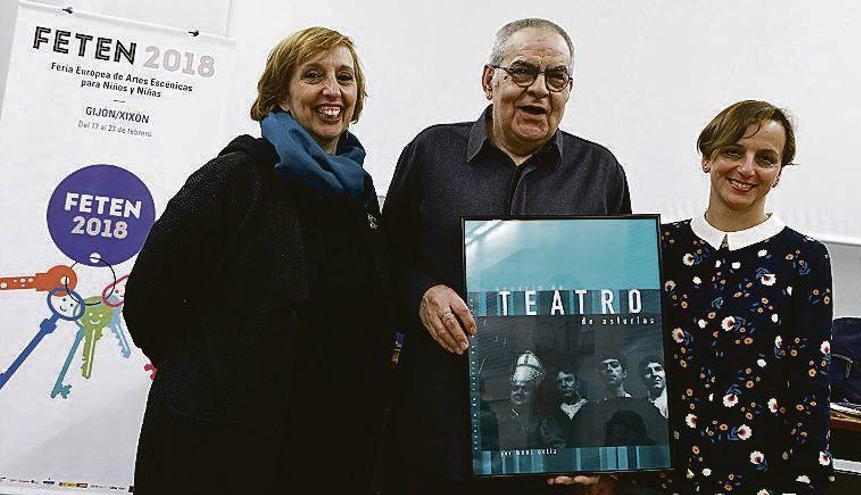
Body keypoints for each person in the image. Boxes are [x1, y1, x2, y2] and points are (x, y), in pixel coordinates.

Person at [123, 27, 392, 494]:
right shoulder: (234, 178)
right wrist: (209, 375)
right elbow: (149, 297)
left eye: (344, 77)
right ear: (281, 96)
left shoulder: (361, 195)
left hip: (328, 446)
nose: (333, 90)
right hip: (226, 444)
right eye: (313, 75)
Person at [383, 17, 630, 494]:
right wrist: (421, 292)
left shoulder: (599, 172)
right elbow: (383, 261)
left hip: (546, 447)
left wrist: (599, 446)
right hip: (435, 432)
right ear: (488, 79)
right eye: (522, 71)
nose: (539, 89)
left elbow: (614, 309)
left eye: (556, 77)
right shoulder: (431, 151)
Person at [657, 100, 833, 494]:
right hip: (661, 475)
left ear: (779, 173)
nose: (747, 169)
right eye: (733, 151)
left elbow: (810, 383)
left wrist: (803, 483)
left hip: (757, 477)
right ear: (707, 158)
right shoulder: (661, 247)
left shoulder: (803, 259)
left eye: (765, 158)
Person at [497, 350, 546, 450]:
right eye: (515, 388)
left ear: (534, 392)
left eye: (525, 389)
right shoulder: (500, 422)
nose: (519, 392)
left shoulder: (544, 423)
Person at [539, 366, 597, 449]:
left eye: (568, 380)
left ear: (577, 384)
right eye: (559, 382)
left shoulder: (593, 409)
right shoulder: (550, 418)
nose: (563, 385)